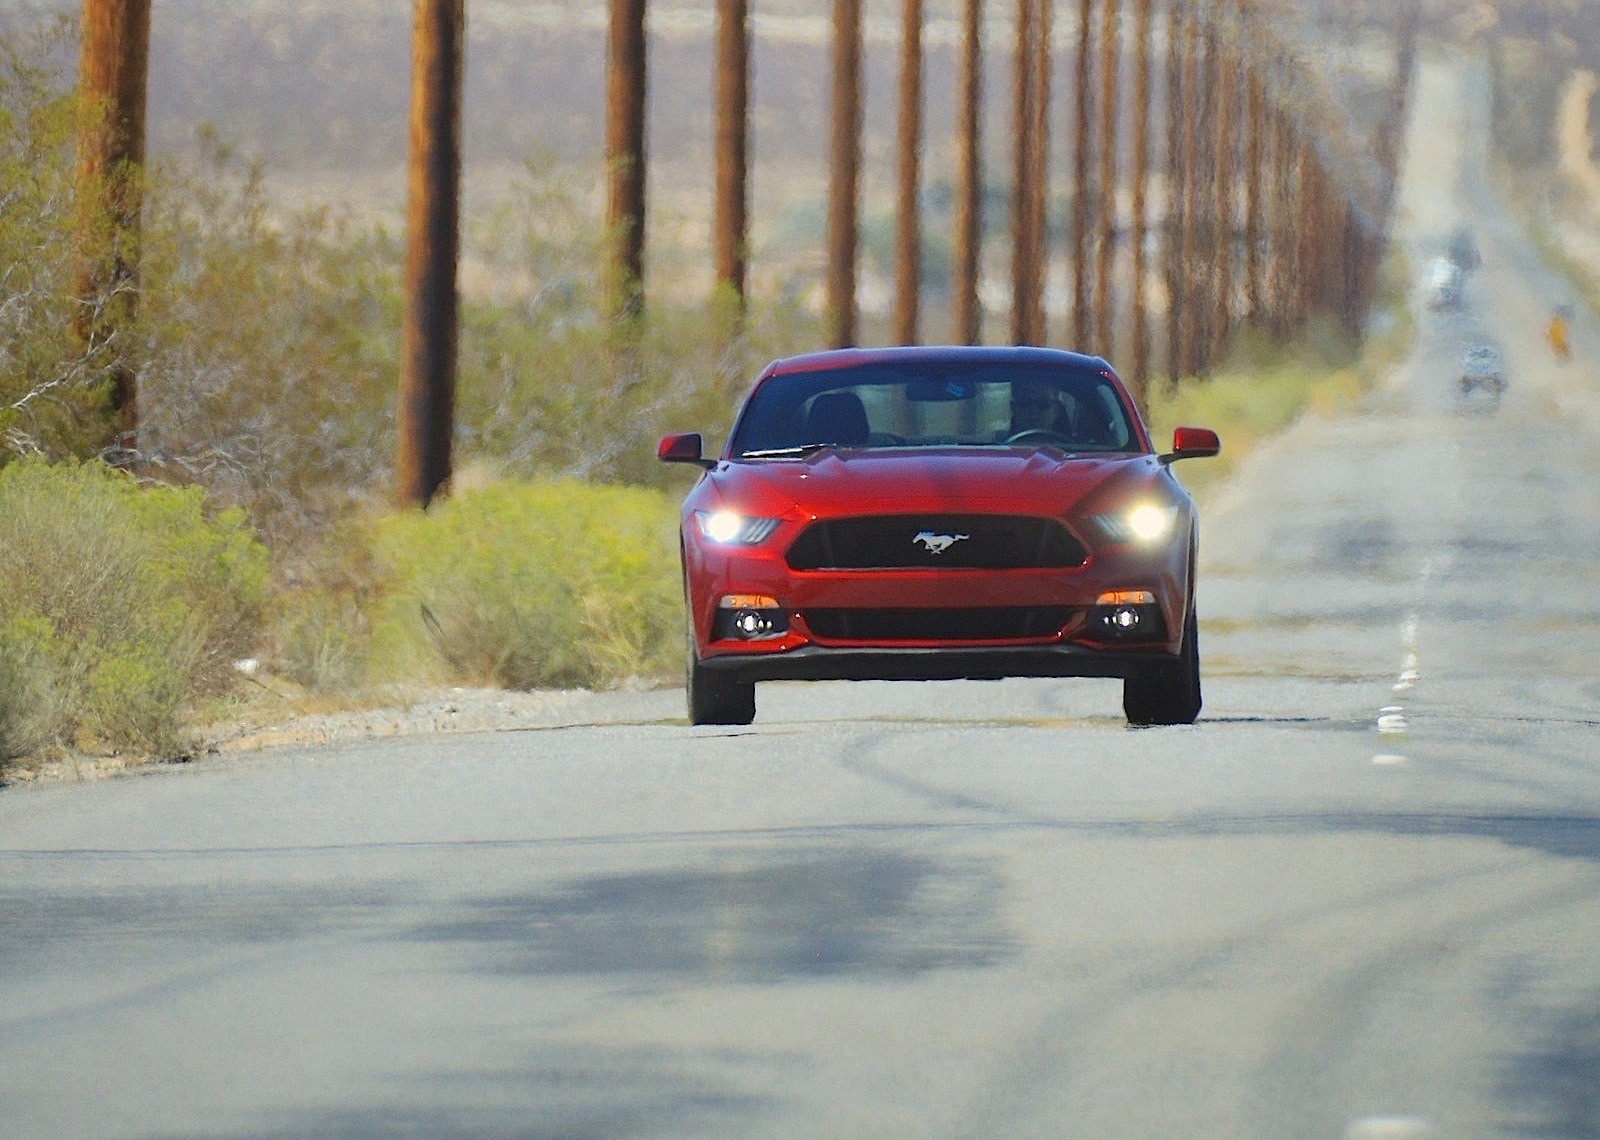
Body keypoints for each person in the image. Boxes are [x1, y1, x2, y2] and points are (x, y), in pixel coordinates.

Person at [1004, 378, 1073, 439]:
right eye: (1025, 402)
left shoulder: (1076, 450)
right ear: (1013, 408)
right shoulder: (997, 448)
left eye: (1043, 403)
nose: (1034, 410)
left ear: (1056, 410)